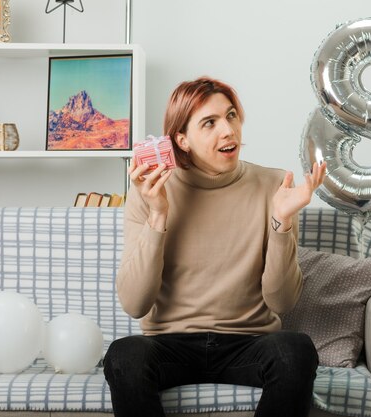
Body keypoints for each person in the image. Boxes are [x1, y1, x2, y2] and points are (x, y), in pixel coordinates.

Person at [104, 76, 327, 417]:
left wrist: (281, 222)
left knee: (295, 349)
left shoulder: (274, 185)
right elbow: (135, 304)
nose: (228, 131)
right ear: (182, 139)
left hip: (249, 343)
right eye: (210, 123)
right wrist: (158, 214)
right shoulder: (148, 192)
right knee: (123, 355)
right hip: (169, 344)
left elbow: (281, 302)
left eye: (232, 116)